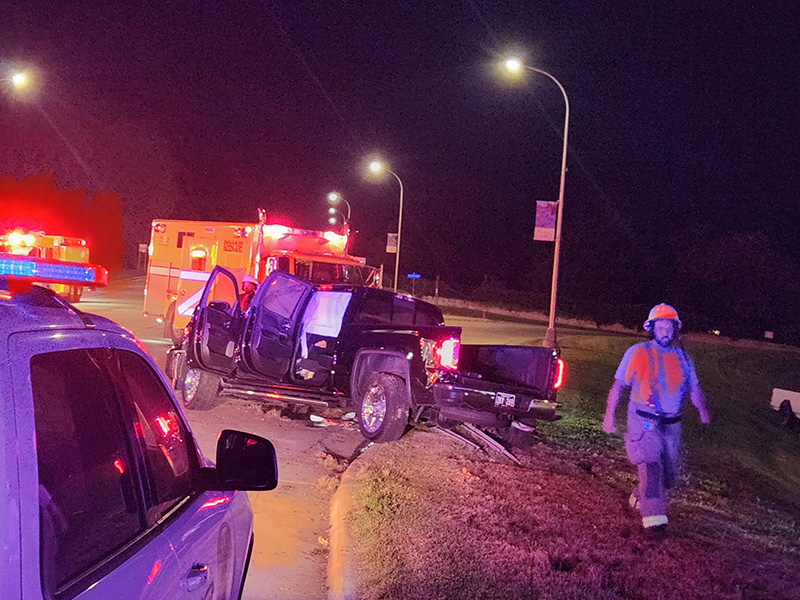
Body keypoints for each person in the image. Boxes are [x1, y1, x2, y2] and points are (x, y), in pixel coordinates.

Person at [602, 303, 710, 538]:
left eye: (668, 326)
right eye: (660, 326)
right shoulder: (637, 352)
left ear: (675, 329)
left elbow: (694, 388)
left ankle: (639, 496)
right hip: (643, 422)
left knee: (667, 476)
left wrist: (703, 412)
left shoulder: (683, 358)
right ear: (651, 328)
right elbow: (618, 386)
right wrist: (609, 415)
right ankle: (654, 522)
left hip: (672, 425)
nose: (664, 331)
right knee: (651, 468)